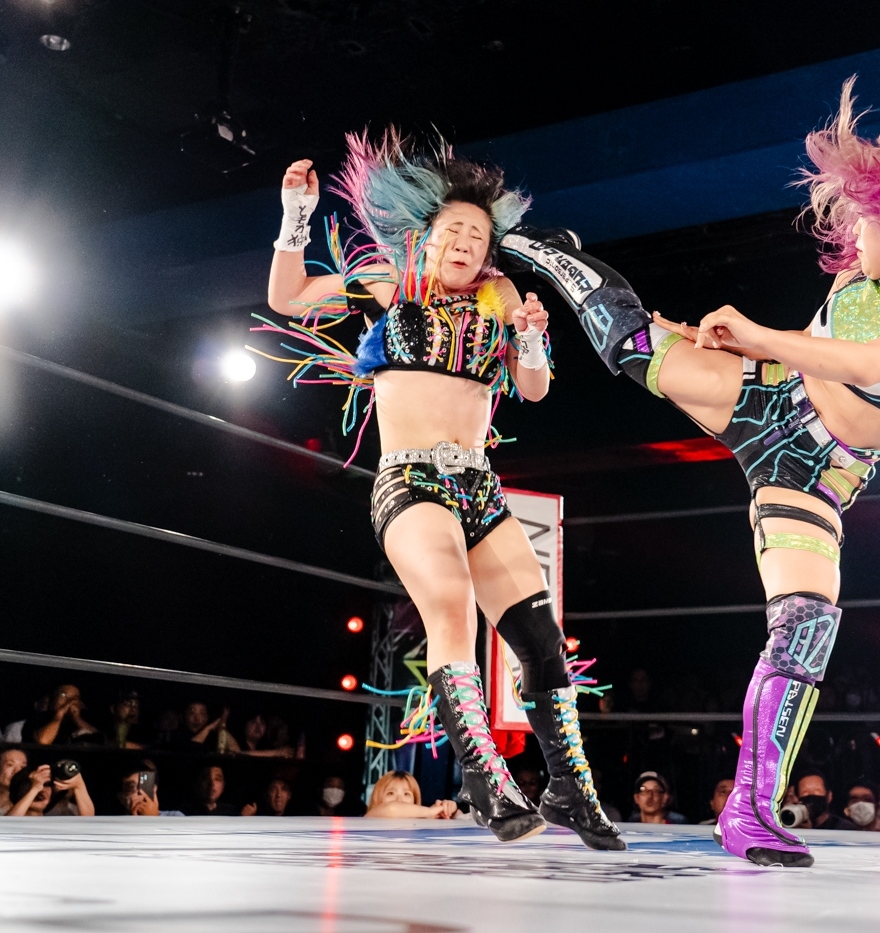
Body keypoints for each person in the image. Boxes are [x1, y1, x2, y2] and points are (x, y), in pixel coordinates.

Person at [501, 77, 880, 866]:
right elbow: (813, 347)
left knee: (806, 622)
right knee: (636, 346)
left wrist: (757, 335)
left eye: (871, 215)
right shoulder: (855, 277)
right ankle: (557, 255)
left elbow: (867, 362)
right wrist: (725, 345)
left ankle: (751, 809)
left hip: (819, 472)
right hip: (769, 397)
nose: (855, 227)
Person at [261, 130, 619, 851]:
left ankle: (570, 788)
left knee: (540, 636)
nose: (465, 242)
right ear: (426, 236)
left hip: (479, 486)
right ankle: (485, 780)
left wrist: (530, 336)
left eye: (478, 235)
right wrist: (295, 219)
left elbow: (533, 389)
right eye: (454, 229)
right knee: (451, 603)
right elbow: (288, 297)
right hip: (410, 478)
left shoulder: (498, 294)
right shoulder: (385, 285)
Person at [7, 763, 95, 817]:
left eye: (47, 784)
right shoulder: (11, 815)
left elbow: (88, 822)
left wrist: (79, 786)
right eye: (32, 784)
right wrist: (35, 788)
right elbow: (8, 825)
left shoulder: (56, 818)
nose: (42, 790)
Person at [26, 685, 102, 746]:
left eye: (75, 698)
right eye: (64, 695)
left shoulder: (83, 720)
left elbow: (101, 742)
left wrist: (77, 718)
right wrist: (59, 716)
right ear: (53, 699)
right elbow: (43, 741)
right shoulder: (38, 718)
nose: (70, 701)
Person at [365, 770, 459, 820]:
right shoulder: (371, 816)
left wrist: (448, 809)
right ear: (377, 797)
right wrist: (429, 812)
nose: (399, 800)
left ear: (415, 800)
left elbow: (461, 818)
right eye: (390, 793)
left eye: (406, 794)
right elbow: (392, 808)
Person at [116, 765, 184, 816]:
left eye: (145, 787)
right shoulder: (114, 822)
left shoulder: (175, 817)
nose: (140, 793)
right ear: (121, 797)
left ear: (154, 790)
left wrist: (153, 818)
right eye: (132, 787)